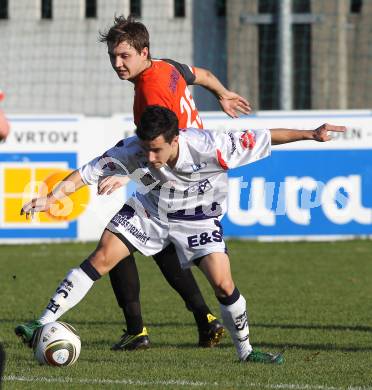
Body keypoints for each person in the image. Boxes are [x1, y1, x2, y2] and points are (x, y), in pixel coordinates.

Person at [15, 105, 345, 364]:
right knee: (101, 257)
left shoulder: (212, 146)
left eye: (157, 150)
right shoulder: (134, 149)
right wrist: (52, 198)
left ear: (176, 139)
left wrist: (312, 134)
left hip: (199, 220)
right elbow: (86, 174)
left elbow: (265, 136)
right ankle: (40, 323)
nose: (150, 157)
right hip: (150, 212)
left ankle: (246, 352)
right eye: (146, 149)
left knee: (223, 284)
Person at [98, 15, 252, 350]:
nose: (117, 63)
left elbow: (160, 149)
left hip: (178, 172)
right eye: (113, 56)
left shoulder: (150, 94)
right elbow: (204, 75)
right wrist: (223, 94)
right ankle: (204, 318)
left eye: (123, 56)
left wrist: (129, 173)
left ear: (143, 51)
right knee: (161, 243)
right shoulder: (166, 67)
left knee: (122, 234)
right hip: (198, 171)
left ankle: (137, 330)